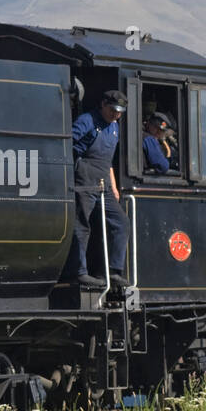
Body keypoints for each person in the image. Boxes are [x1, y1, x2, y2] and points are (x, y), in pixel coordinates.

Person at [69, 89, 129, 289]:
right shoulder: (87, 120)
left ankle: (112, 271)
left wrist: (112, 183)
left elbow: (108, 159)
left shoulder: (115, 127)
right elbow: (69, 142)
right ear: (103, 104)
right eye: (113, 110)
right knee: (82, 225)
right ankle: (80, 272)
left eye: (120, 111)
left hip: (103, 180)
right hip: (84, 176)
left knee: (121, 222)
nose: (116, 115)